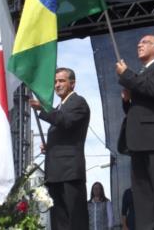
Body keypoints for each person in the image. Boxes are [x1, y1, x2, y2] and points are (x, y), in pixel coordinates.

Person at [115, 34, 154, 230]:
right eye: (139, 42)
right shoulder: (140, 74)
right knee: (142, 197)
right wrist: (127, 100)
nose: (139, 45)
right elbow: (136, 110)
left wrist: (126, 74)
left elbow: (153, 89)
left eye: (144, 42)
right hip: (138, 142)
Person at [30, 67, 90, 230]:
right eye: (55, 82)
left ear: (72, 83)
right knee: (59, 222)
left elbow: (66, 121)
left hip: (69, 172)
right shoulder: (59, 107)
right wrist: (51, 147)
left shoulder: (78, 102)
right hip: (55, 173)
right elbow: (63, 128)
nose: (57, 85)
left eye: (61, 81)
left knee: (74, 220)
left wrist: (43, 108)